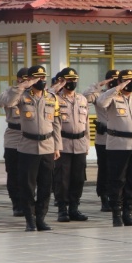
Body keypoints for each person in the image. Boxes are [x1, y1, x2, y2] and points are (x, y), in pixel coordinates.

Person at [0, 65, 62, 231]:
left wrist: (57, 146)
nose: (41, 81)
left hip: (47, 146)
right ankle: (29, 219)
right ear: (30, 80)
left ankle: (41, 217)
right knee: (28, 185)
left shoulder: (52, 98)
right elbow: (7, 102)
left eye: (43, 78)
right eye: (37, 78)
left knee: (46, 185)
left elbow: (56, 123)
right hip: (27, 146)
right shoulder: (21, 96)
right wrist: (22, 86)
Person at [96, 69, 132, 227]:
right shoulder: (113, 97)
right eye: (127, 81)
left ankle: (128, 212)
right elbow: (101, 102)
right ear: (120, 82)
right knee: (117, 180)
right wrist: (117, 89)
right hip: (118, 145)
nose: (131, 83)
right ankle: (117, 213)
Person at [52, 68, 91, 222]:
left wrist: (87, 144)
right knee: (62, 178)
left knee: (78, 178)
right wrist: (58, 85)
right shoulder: (54, 98)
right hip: (63, 143)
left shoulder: (82, 99)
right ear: (62, 81)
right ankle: (62, 209)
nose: (72, 83)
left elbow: (86, 123)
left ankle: (74, 208)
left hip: (80, 143)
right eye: (68, 80)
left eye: (74, 80)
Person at [83, 69, 120, 212]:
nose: (114, 82)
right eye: (112, 80)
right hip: (103, 138)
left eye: (117, 80)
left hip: (118, 139)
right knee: (104, 170)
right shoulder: (98, 94)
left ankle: (115, 197)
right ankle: (104, 198)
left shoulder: (121, 94)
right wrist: (99, 85)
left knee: (117, 170)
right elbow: (86, 97)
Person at [0, 68, 29, 216]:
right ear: (19, 80)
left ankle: (28, 202)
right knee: (14, 172)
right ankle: (17, 203)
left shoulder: (37, 94)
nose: (27, 82)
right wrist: (17, 90)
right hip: (14, 137)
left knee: (29, 173)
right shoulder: (10, 92)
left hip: (30, 137)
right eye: (24, 79)